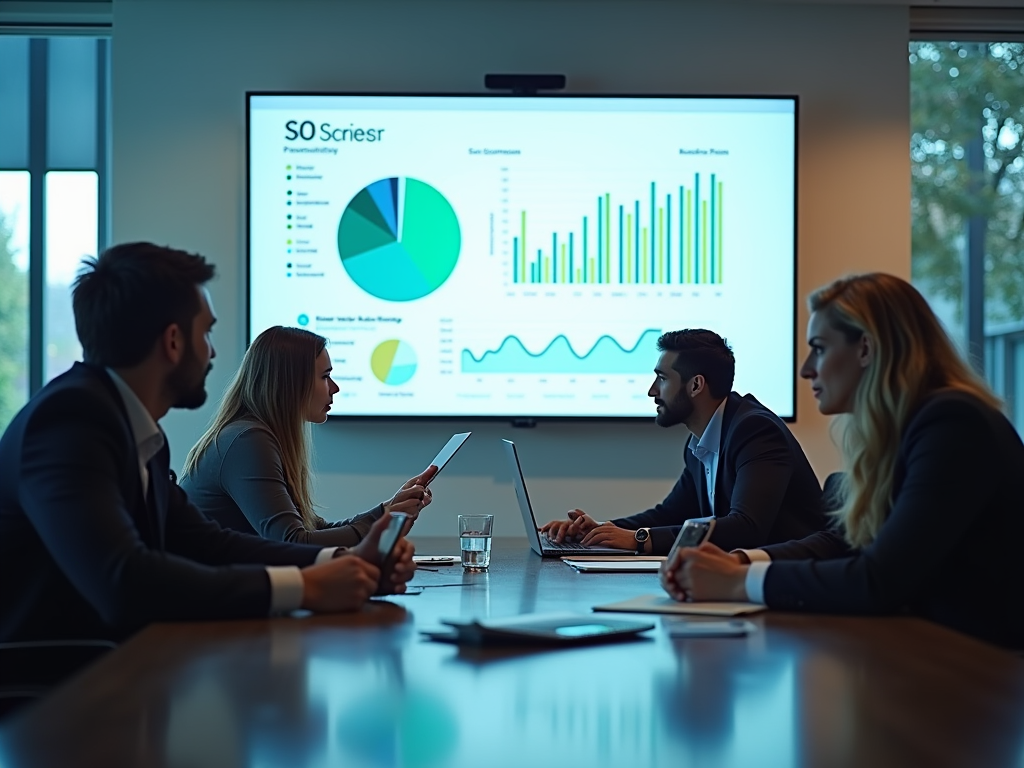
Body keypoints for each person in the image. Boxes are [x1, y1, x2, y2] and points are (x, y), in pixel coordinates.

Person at [0, 242, 415, 643]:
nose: (213, 353)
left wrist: (342, 564)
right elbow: (124, 581)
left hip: (114, 667)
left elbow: (205, 543)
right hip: (55, 686)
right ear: (174, 341)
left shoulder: (140, 434)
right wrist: (302, 587)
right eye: (207, 333)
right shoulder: (70, 421)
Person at [661, 273, 1024, 649]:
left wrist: (738, 583)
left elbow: (879, 580)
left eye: (819, 348)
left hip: (990, 673)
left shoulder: (952, 423)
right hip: (942, 655)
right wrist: (739, 562)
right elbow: (842, 542)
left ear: (865, 349)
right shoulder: (907, 430)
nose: (806, 369)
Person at [539, 329, 827, 555]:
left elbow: (747, 527)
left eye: (662, 379)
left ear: (696, 385)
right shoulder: (702, 441)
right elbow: (671, 513)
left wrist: (639, 539)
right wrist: (601, 530)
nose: (652, 391)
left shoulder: (755, 430)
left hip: (791, 589)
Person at [180, 326, 436, 547]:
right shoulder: (247, 441)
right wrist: (384, 520)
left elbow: (311, 532)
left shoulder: (254, 436)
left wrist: (387, 512)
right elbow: (293, 543)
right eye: (325, 376)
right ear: (291, 383)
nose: (335, 388)